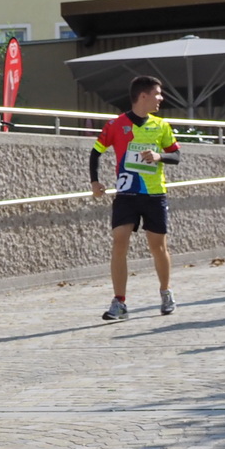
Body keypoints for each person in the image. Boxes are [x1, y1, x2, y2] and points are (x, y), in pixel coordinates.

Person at [90, 76, 181, 320]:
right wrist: (95, 181)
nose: (161, 98)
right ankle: (119, 302)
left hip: (154, 194)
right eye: (158, 94)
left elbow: (177, 156)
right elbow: (95, 152)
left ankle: (165, 292)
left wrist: (159, 157)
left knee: (157, 246)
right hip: (127, 193)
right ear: (144, 96)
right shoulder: (115, 125)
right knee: (119, 241)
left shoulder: (161, 125)